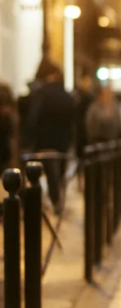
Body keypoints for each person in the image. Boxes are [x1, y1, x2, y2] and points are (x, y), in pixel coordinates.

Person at [26, 61, 76, 210]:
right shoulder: (66, 95)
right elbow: (73, 117)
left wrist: (30, 137)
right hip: (63, 140)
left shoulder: (43, 93)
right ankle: (57, 198)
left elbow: (34, 117)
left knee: (49, 170)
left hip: (45, 140)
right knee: (58, 170)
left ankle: (55, 200)